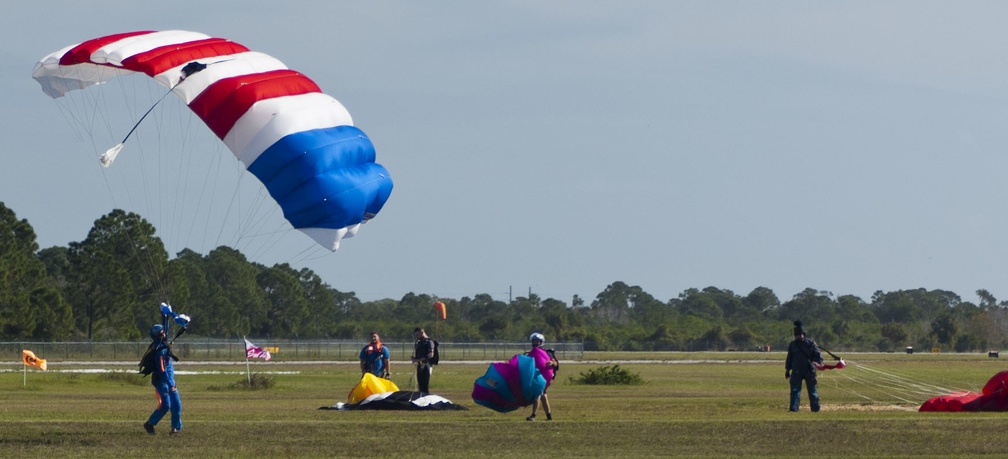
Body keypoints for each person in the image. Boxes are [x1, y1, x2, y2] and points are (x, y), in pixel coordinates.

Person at [143, 323, 182, 435]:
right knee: (165, 405)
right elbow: (162, 370)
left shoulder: (163, 344)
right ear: (158, 335)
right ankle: (150, 424)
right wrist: (170, 384)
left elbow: (166, 326)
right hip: (162, 381)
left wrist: (166, 313)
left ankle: (175, 429)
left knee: (176, 404)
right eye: (162, 332)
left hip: (170, 381)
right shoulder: (160, 350)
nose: (165, 333)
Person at [785, 320, 823, 412]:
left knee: (813, 392)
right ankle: (794, 409)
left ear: (803, 334)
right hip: (796, 371)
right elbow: (789, 358)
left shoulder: (810, 344)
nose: (798, 336)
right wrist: (787, 370)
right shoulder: (792, 345)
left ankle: (815, 409)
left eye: (800, 334)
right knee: (795, 391)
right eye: (796, 335)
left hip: (809, 371)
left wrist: (816, 364)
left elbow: (818, 357)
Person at [526, 332, 558, 421]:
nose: (535, 343)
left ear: (541, 342)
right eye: (534, 341)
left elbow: (556, 363)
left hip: (544, 377)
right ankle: (549, 416)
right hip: (536, 377)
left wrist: (551, 363)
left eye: (537, 341)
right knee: (543, 396)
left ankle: (533, 415)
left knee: (538, 394)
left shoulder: (548, 353)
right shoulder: (532, 353)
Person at [411, 327, 435, 394]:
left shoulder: (429, 342)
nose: (417, 337)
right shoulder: (419, 342)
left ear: (422, 332)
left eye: (417, 335)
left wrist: (418, 359)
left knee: (424, 386)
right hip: (420, 365)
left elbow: (431, 355)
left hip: (426, 365)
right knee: (420, 386)